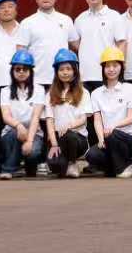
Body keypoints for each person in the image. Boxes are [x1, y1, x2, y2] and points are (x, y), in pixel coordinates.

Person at [85, 46, 132, 177]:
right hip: (108, 138)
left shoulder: (130, 89)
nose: (111, 69)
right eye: (107, 66)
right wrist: (100, 139)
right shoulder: (96, 94)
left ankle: (123, 168)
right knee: (92, 155)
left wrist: (113, 127)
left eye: (115, 65)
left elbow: (131, 118)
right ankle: (123, 165)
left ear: (121, 67)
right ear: (103, 69)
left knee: (114, 135)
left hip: (128, 138)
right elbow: (97, 120)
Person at [0, 48, 46, 178]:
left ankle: (26, 166)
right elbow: (6, 117)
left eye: (25, 69)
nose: (21, 72)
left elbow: (36, 117)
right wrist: (19, 126)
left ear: (31, 71)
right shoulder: (5, 91)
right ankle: (9, 169)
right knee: (14, 134)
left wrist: (29, 140)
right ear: (12, 71)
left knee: (32, 152)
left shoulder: (39, 90)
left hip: (34, 132)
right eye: (17, 69)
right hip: (12, 132)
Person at [20, 0, 79, 86]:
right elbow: (20, 53)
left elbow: (78, 46)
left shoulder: (66, 20)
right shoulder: (27, 23)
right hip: (35, 82)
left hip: (62, 80)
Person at [42, 48, 91, 178]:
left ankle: (73, 163)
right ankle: (63, 164)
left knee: (70, 136)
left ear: (75, 71)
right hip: (59, 138)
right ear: (56, 72)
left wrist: (69, 126)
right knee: (55, 164)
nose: (65, 72)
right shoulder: (50, 93)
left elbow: (83, 118)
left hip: (78, 138)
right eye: (61, 69)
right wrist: (54, 144)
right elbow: (49, 120)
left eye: (68, 69)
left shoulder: (83, 92)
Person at [74, 0, 127, 91]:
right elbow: (76, 44)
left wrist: (118, 69)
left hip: (108, 75)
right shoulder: (80, 19)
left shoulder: (114, 16)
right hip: (85, 77)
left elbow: (122, 44)